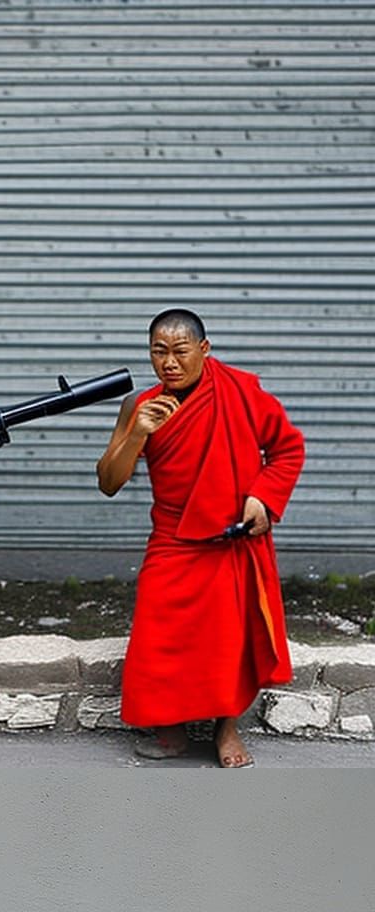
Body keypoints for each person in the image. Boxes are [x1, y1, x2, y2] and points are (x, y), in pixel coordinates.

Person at [97, 309, 305, 768]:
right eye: (158, 352)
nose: (169, 363)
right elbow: (108, 481)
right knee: (157, 640)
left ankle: (226, 729)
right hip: (173, 537)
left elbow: (288, 448)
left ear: (204, 350)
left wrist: (264, 499)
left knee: (229, 642)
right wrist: (139, 434)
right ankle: (169, 732)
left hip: (234, 536)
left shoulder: (242, 394)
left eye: (180, 351)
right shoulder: (139, 405)